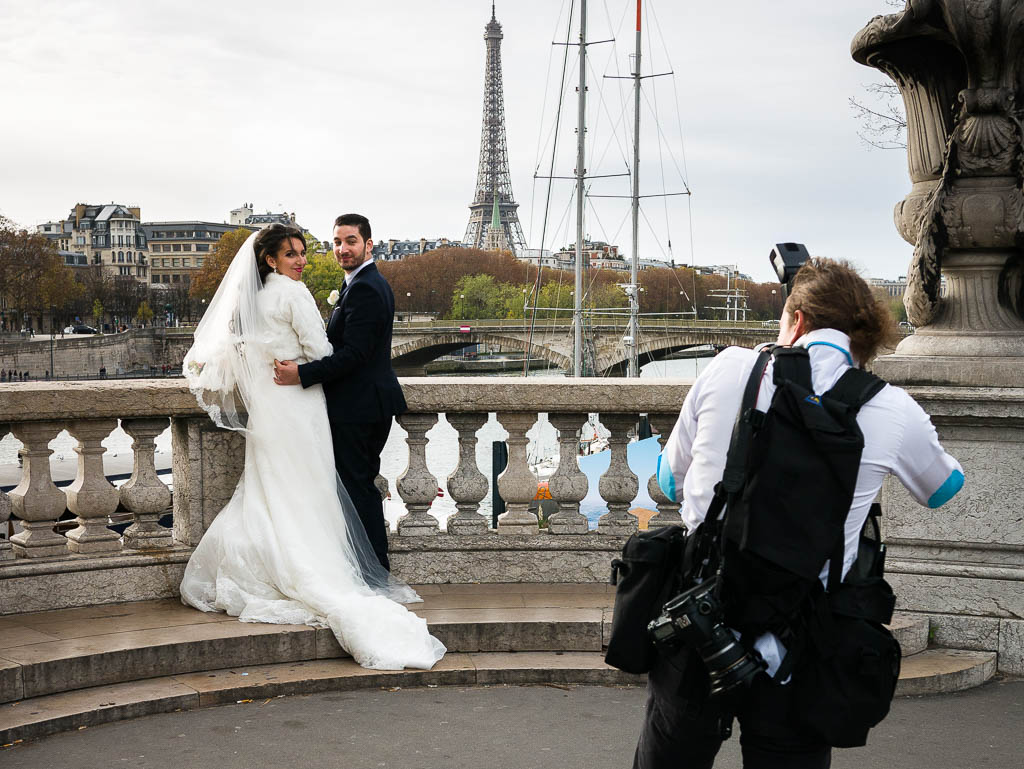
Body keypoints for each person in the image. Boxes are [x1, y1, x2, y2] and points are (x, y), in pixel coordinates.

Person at [635, 257, 964, 769]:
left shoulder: (729, 367)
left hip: (701, 621)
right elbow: (944, 489)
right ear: (864, 340)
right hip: (804, 638)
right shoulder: (892, 408)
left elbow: (668, 480)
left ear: (798, 320)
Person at [179, 224, 445, 671]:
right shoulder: (293, 294)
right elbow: (322, 348)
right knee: (314, 488)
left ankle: (273, 562)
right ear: (271, 260)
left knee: (273, 490)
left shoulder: (254, 299)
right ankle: (345, 572)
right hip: (300, 406)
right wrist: (303, 368)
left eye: (303, 252)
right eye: (292, 254)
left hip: (271, 408)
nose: (302, 260)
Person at [273, 213, 405, 572]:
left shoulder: (364, 287)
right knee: (358, 486)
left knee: (357, 489)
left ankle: (374, 570)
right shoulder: (360, 283)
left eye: (350, 241)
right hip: (364, 402)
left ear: (368, 244)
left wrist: (301, 373)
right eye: (337, 242)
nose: (342, 249)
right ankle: (370, 567)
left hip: (358, 406)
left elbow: (354, 356)